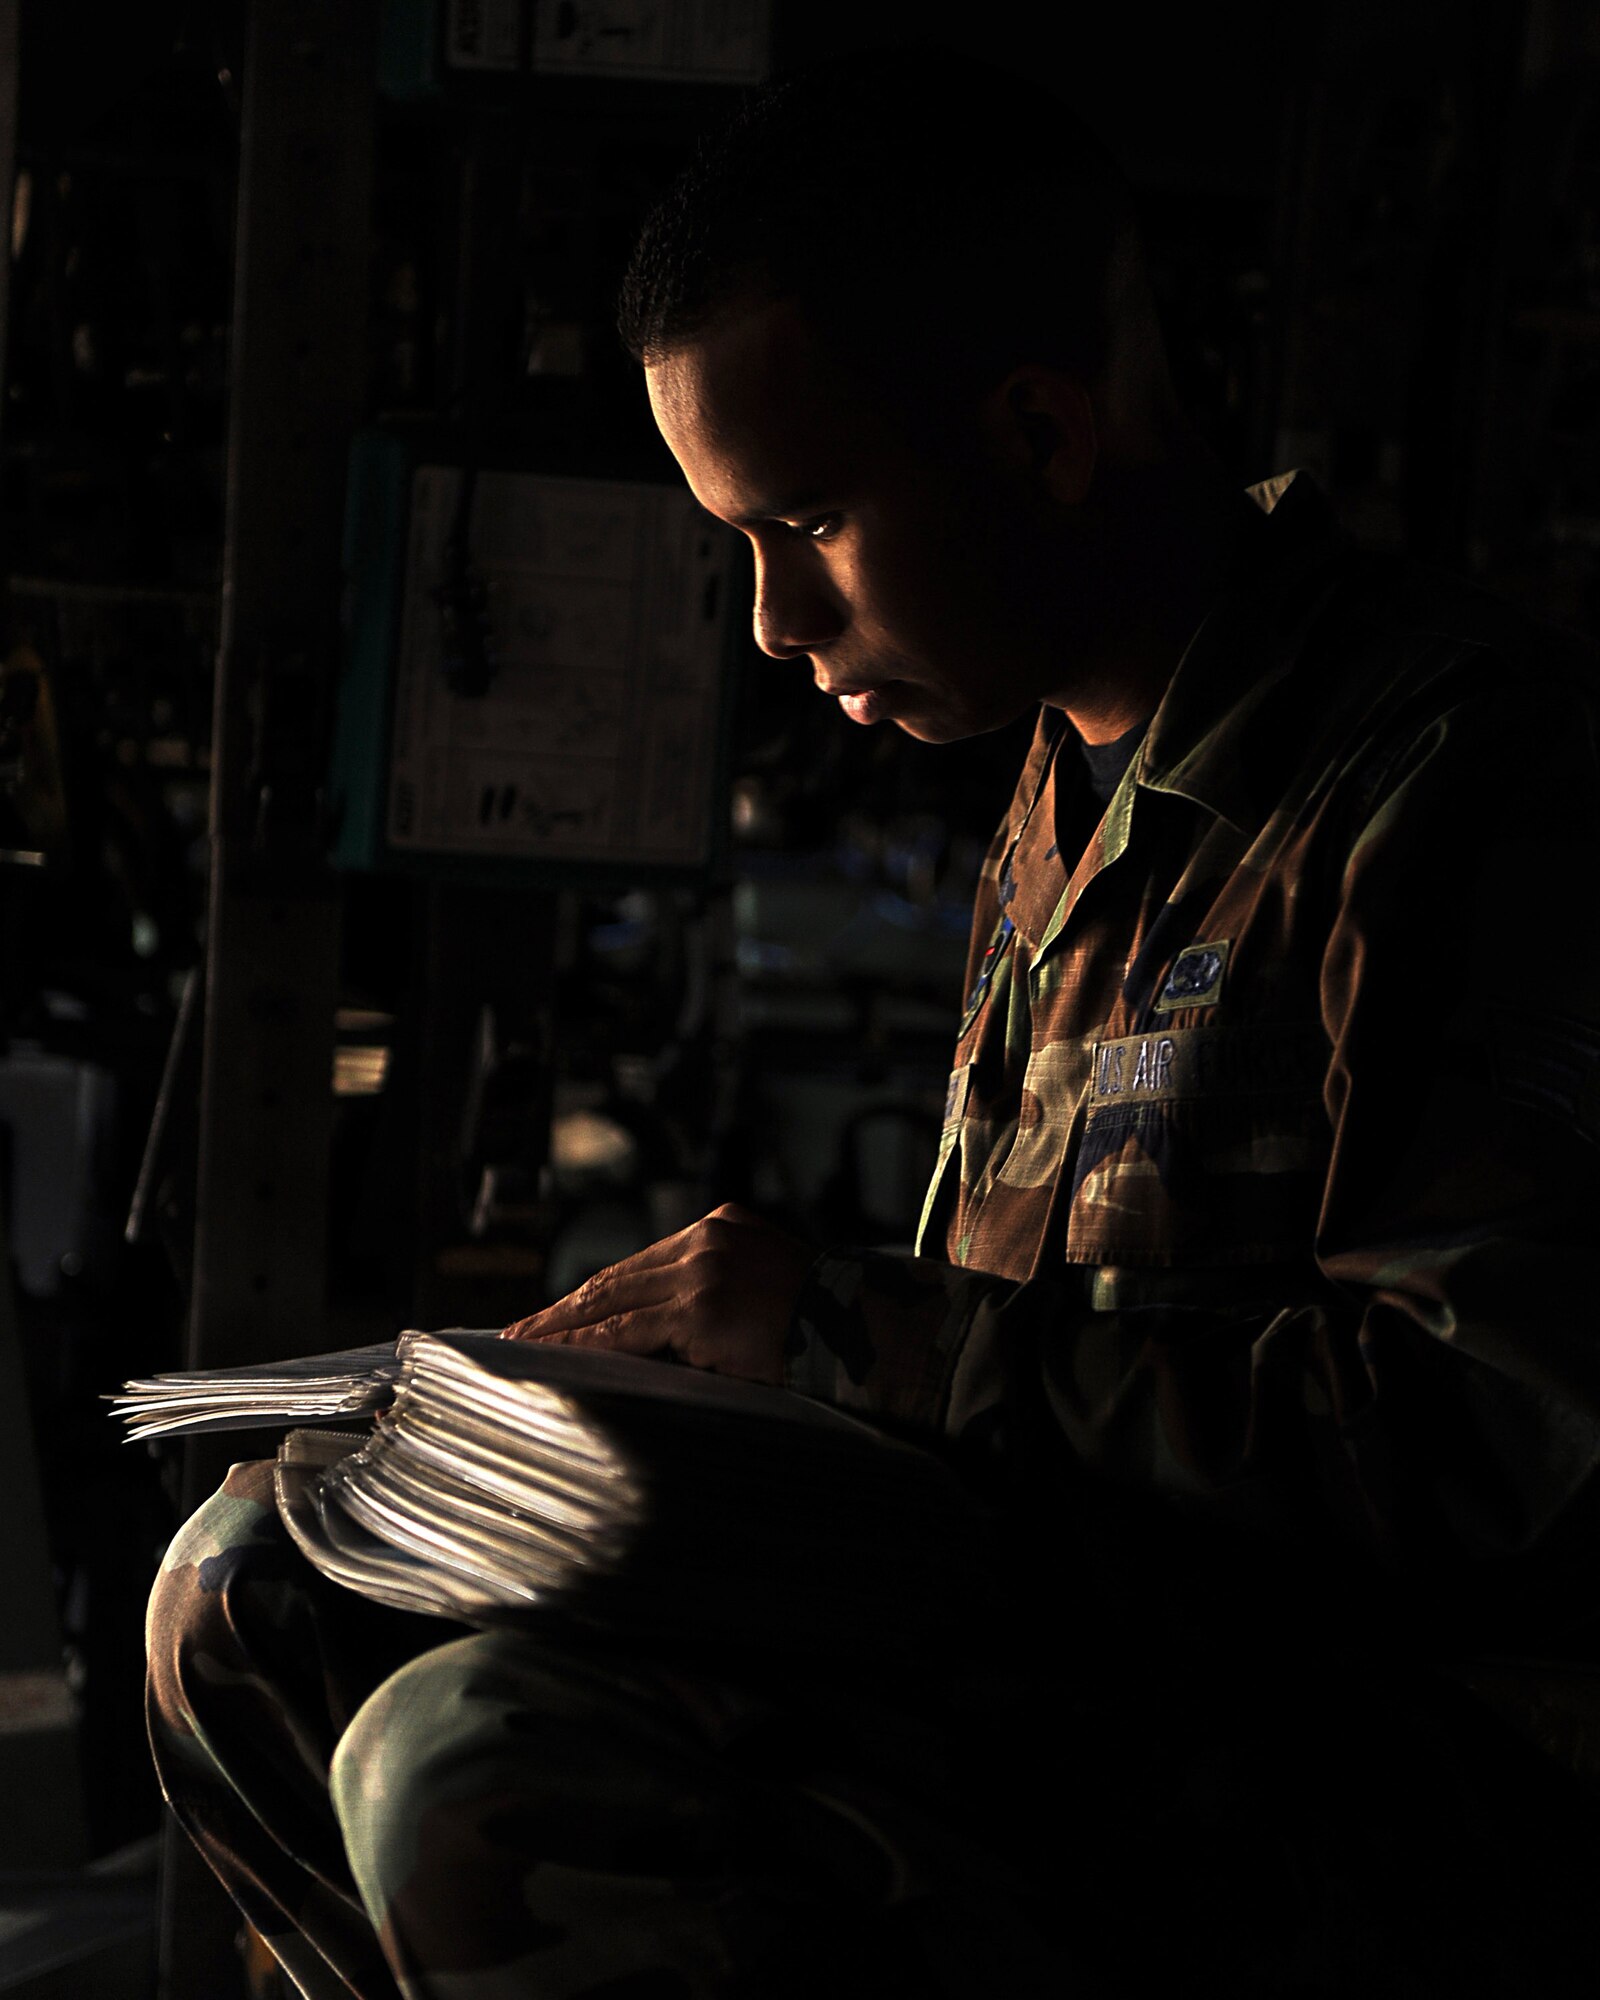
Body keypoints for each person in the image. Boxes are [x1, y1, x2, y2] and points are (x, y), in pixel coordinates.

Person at [147, 46, 1600, 2000]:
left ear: (1039, 433)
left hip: (1358, 1773)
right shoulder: (1059, 790)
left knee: (474, 1763)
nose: (765, 621)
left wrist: (839, 1327)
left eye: (805, 522)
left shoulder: (1465, 778)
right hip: (1055, 1656)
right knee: (251, 1584)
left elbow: (1507, 1451)